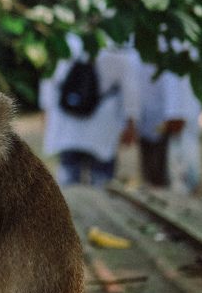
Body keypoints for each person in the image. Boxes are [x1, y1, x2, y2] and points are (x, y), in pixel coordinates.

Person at [39, 34, 140, 187]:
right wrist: (131, 121)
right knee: (101, 182)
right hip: (103, 125)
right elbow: (130, 88)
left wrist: (46, 112)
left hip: (67, 123)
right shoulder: (118, 48)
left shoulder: (66, 42)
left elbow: (49, 81)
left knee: (68, 182)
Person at [137, 57, 202, 193]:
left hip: (171, 122)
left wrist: (175, 113)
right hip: (154, 122)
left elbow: (178, 84)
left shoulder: (177, 49)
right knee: (156, 180)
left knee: (173, 179)